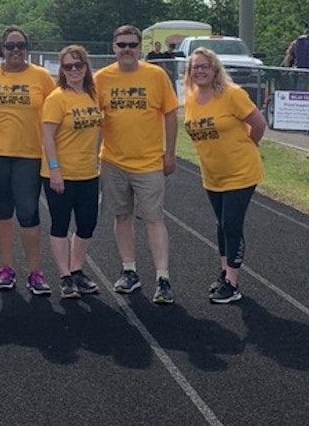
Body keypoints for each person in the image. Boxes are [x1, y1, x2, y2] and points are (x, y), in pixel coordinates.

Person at [94, 25, 180, 304]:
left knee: (154, 219)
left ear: (140, 47)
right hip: (113, 160)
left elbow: (169, 114)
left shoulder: (156, 75)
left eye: (132, 44)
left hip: (149, 161)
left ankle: (163, 277)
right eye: (122, 45)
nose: (127, 49)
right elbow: (90, 118)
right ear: (113, 47)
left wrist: (170, 152)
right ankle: (129, 270)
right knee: (122, 217)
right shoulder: (101, 78)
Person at [182, 47, 266, 304]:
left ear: (215, 69)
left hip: (240, 171)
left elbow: (259, 123)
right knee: (221, 225)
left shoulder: (232, 95)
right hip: (213, 174)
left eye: (205, 66)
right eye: (195, 67)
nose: (200, 71)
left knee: (231, 223)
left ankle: (232, 282)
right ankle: (224, 273)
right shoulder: (191, 99)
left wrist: (248, 146)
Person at [0, 26, 55, 295]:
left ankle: (34, 271)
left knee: (28, 213)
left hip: (29, 155)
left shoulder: (42, 78)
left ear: (27, 48)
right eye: (10, 46)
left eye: (20, 45)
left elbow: (55, 117)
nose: (15, 51)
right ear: (1, 48)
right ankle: (6, 269)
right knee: (2, 213)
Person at [41, 45, 104, 299]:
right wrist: (55, 170)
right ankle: (65, 276)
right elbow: (47, 137)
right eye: (69, 66)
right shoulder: (57, 98)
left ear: (86, 67)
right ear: (62, 70)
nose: (74, 70)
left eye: (79, 65)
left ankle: (77, 269)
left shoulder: (93, 95)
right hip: (60, 174)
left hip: (88, 172)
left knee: (87, 224)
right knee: (60, 224)